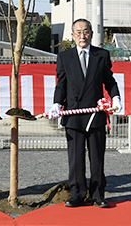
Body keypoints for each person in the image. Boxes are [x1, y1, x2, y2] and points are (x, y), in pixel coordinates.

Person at [49, 18, 122, 208]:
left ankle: (98, 194)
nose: (83, 35)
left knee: (97, 157)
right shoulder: (65, 57)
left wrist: (116, 97)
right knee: (75, 158)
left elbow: (110, 81)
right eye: (78, 32)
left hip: (95, 114)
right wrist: (57, 103)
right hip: (73, 114)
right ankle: (77, 194)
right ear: (73, 36)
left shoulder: (101, 55)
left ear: (91, 34)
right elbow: (61, 85)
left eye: (86, 31)